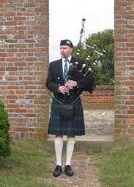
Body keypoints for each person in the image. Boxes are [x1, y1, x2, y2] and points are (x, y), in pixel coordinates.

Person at [46, 39, 95, 177]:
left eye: (65, 48)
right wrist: (58, 87)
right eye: (60, 48)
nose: (62, 50)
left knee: (71, 134)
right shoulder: (54, 65)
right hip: (59, 100)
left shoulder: (80, 64)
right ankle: (58, 165)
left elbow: (90, 81)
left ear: (71, 49)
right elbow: (48, 83)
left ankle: (68, 164)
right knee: (58, 134)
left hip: (74, 101)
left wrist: (77, 83)